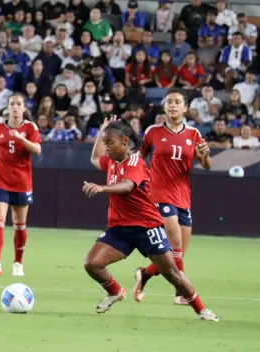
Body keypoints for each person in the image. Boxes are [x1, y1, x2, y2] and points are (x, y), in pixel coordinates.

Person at [83, 117, 218, 322]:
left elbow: (127, 186)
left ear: (124, 142)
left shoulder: (135, 162)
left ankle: (201, 310)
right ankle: (115, 292)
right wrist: (102, 131)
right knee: (92, 264)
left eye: (110, 143)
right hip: (119, 228)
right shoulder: (111, 159)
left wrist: (102, 188)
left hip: (147, 228)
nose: (106, 148)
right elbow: (95, 159)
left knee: (173, 274)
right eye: (105, 143)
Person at [133, 89, 213, 305]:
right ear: (164, 106)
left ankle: (145, 274)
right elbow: (138, 158)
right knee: (175, 241)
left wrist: (205, 155)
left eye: (177, 102)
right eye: (169, 102)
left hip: (183, 197)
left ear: (185, 108)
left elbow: (206, 166)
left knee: (176, 254)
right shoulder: (152, 131)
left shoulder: (194, 134)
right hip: (158, 194)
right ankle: (182, 294)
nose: (173, 106)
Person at [0, 93, 41, 276]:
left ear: (24, 107)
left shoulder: (30, 127)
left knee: (19, 224)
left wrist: (21, 139)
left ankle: (17, 262)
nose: (15, 107)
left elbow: (37, 150)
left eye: (18, 104)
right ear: (8, 107)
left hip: (22, 182)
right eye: (12, 104)